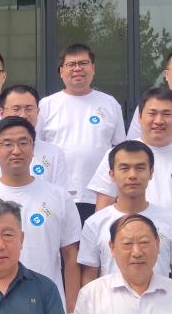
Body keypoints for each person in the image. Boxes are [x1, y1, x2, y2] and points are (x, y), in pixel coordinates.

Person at [0, 118, 82, 314]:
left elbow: (71, 256)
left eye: (23, 143)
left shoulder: (59, 197)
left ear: (33, 149)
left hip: (46, 306)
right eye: (7, 144)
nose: (16, 150)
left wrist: (71, 311)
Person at [91, 89, 172, 283]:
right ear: (139, 117)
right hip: (127, 260)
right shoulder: (118, 154)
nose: (158, 120)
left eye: (167, 114)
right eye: (152, 113)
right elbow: (103, 209)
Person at [79, 140, 172, 290]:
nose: (132, 175)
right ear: (112, 175)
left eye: (140, 168)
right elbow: (89, 277)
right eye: (124, 168)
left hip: (161, 302)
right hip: (110, 303)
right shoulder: (95, 223)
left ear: (151, 173)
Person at [38, 43, 127, 223]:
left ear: (93, 68)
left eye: (83, 63)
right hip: (55, 195)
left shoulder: (110, 104)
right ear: (61, 71)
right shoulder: (46, 105)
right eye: (71, 64)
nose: (77, 68)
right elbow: (36, 149)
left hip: (100, 197)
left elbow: (120, 151)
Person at [0, 84, 66, 188]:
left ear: (37, 112)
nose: (23, 115)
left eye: (29, 108)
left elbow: (61, 195)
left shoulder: (54, 153)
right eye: (16, 109)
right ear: (1, 112)